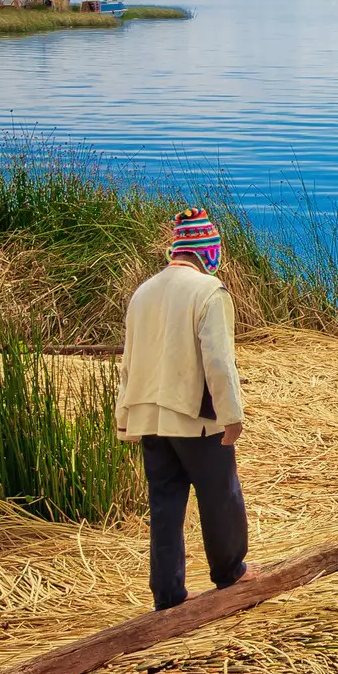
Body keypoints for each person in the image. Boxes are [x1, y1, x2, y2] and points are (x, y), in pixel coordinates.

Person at [115, 207, 253, 609]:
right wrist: (232, 416)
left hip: (150, 416)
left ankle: (168, 592)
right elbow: (218, 360)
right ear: (207, 250)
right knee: (220, 495)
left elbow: (129, 360)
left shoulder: (142, 292)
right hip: (194, 417)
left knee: (165, 505)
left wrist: (125, 417)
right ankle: (231, 571)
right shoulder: (208, 291)